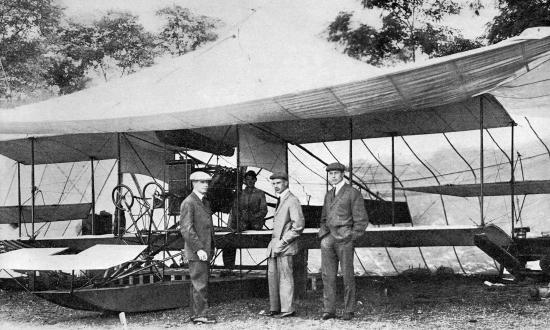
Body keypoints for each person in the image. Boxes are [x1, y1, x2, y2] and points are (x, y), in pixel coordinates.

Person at [318, 162, 368, 321]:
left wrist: (350, 236)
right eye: (330, 173)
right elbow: (323, 218)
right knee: (327, 275)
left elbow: (361, 221)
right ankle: (329, 310)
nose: (332, 176)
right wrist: (324, 236)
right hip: (329, 239)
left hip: (345, 239)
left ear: (343, 174)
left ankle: (348, 310)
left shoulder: (352, 193)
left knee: (347, 275)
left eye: (336, 173)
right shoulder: (328, 194)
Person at [265, 171, 305, 318]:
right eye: (273, 183)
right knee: (273, 277)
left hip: (285, 246)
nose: (275, 186)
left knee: (285, 277)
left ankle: (287, 309)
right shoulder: (281, 199)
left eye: (278, 183)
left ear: (286, 183)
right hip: (275, 245)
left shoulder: (292, 200)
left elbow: (298, 226)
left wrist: (283, 242)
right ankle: (275, 308)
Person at [180, 171, 216, 324]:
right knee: (200, 283)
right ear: (194, 183)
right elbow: (186, 229)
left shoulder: (204, 202)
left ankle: (196, 314)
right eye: (202, 182)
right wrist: (199, 248)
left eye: (207, 182)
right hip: (198, 251)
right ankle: (200, 315)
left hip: (204, 249)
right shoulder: (189, 202)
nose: (206, 185)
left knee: (198, 283)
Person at [223, 170, 268, 273]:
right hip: (242, 225)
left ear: (255, 180)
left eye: (252, 179)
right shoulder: (240, 194)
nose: (250, 182)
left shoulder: (260, 194)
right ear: (244, 181)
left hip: (255, 225)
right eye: (247, 179)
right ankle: (229, 267)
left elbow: (264, 211)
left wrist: (252, 217)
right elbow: (235, 210)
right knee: (229, 239)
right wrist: (241, 219)